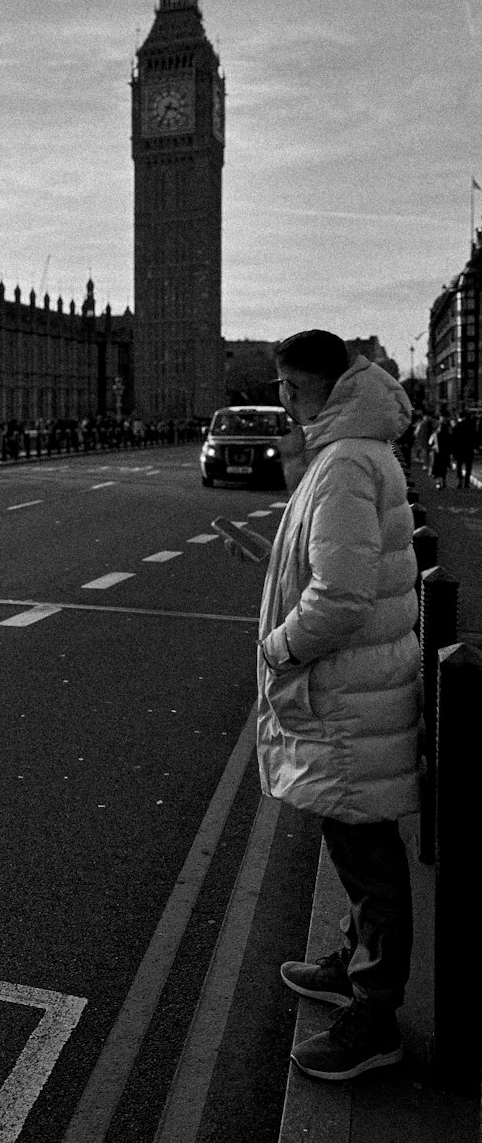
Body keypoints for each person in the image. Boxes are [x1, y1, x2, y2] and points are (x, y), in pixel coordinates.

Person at [224, 331, 420, 1082]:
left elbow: (340, 595)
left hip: (349, 697)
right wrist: (267, 556)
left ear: (325, 391)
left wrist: (279, 648)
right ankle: (354, 965)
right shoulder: (352, 449)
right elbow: (334, 561)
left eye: (291, 390)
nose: (284, 402)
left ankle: (375, 1015)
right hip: (355, 691)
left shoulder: (342, 461)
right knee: (355, 843)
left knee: (368, 854)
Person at [451, 409, 477, 489]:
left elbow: (454, 438)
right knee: (468, 467)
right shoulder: (472, 425)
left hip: (460, 449)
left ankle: (460, 480)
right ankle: (466, 482)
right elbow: (474, 437)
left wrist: (453, 450)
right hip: (469, 449)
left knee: (459, 465)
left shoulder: (458, 425)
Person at [428, 414, 452, 490]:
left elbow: (430, 443)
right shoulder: (448, 435)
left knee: (437, 469)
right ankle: (444, 481)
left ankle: (438, 483)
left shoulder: (435, 434)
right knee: (443, 469)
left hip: (437, 454)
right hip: (445, 454)